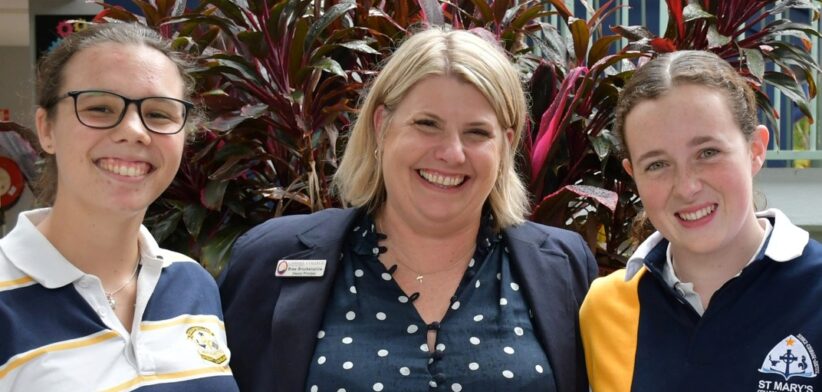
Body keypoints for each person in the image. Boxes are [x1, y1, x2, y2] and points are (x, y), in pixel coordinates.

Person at [219, 27, 598, 392]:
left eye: (477, 132)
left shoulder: (563, 266)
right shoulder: (272, 259)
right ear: (382, 125)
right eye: (427, 124)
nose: (452, 153)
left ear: (506, 145)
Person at [0, 23, 239, 391]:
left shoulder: (193, 283)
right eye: (99, 107)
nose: (134, 130)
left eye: (159, 114)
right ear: (46, 129)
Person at [579, 50, 822, 391]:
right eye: (657, 164)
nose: (687, 187)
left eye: (708, 153)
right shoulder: (605, 309)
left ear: (756, 149)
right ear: (633, 176)